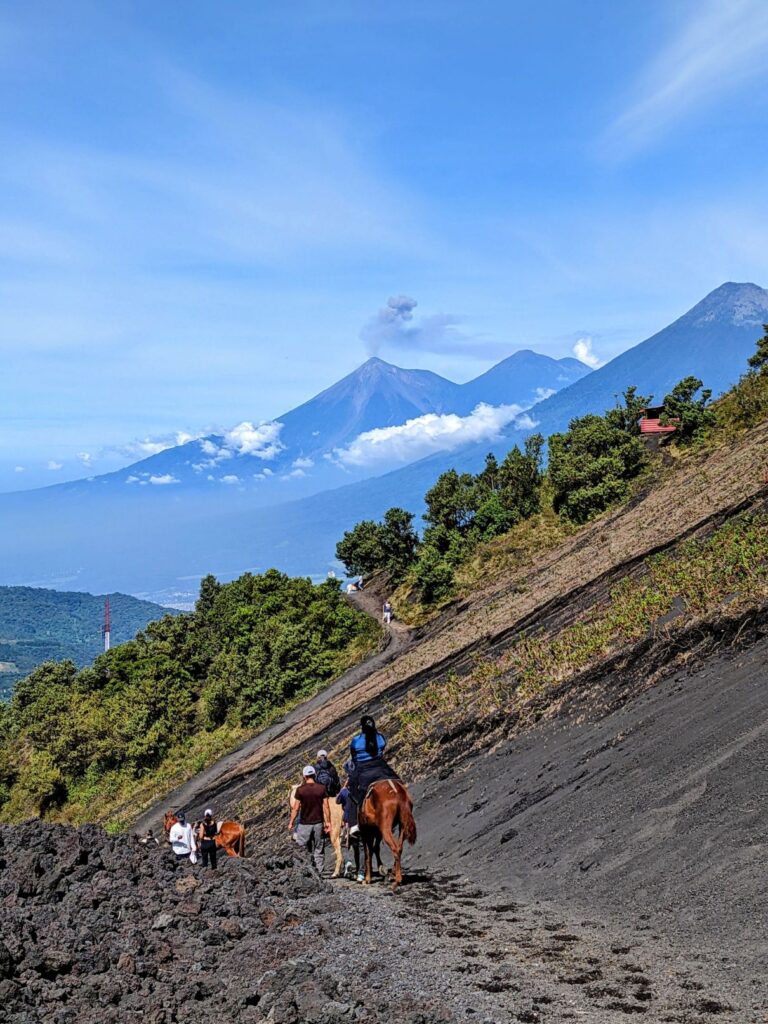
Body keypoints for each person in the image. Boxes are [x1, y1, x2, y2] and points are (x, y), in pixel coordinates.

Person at [347, 715, 397, 837]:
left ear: (362, 727)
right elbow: (383, 747)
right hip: (381, 767)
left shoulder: (356, 741)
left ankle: (354, 825)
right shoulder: (380, 738)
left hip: (364, 769)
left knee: (352, 792)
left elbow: (353, 756)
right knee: (397, 781)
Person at [289, 766, 331, 876]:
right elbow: (326, 806)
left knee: (301, 848)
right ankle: (319, 873)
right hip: (318, 823)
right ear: (314, 775)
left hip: (304, 824)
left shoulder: (301, 790)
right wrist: (328, 822)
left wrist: (291, 822)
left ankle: (305, 872)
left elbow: (296, 808)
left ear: (304, 776)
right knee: (318, 849)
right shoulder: (321, 788)